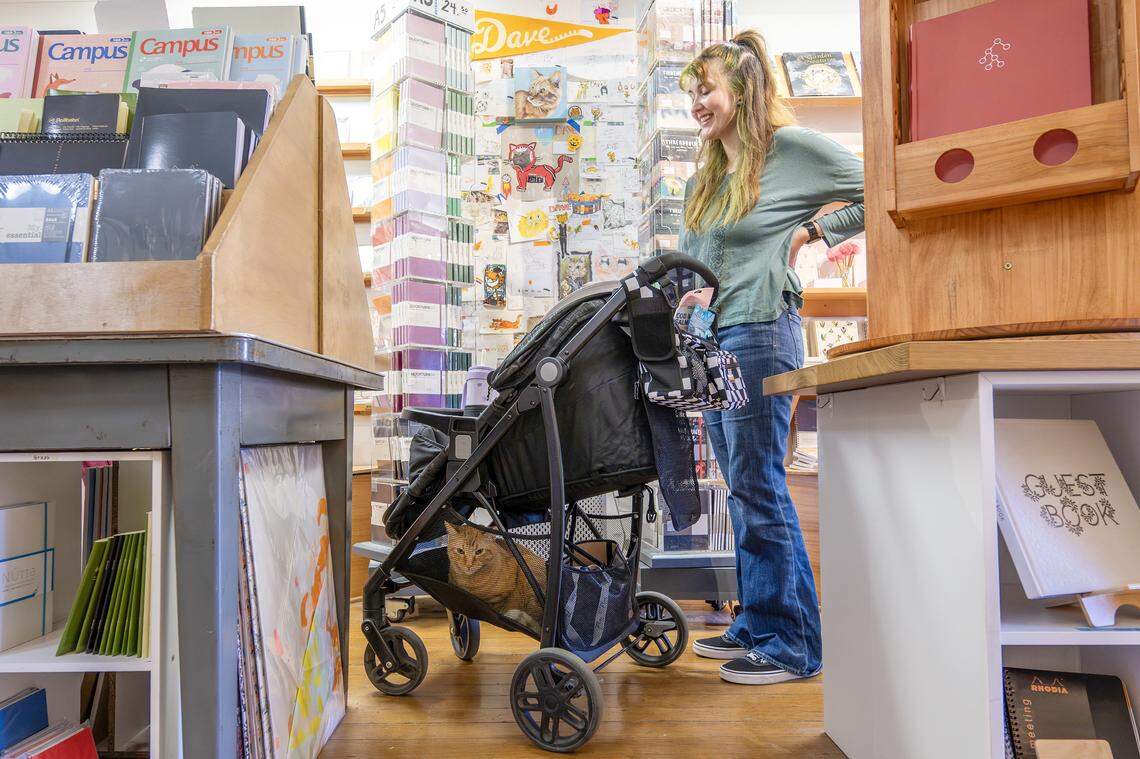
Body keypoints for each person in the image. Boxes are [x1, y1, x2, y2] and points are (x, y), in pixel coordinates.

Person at [679, 31, 864, 685]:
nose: (696, 103)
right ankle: (759, 619)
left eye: (706, 89)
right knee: (742, 485)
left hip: (761, 331)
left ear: (743, 90)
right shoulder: (711, 171)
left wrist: (814, 231)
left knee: (759, 482)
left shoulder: (789, 152)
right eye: (691, 92)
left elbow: (876, 188)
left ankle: (795, 641)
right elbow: (697, 261)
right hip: (715, 341)